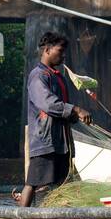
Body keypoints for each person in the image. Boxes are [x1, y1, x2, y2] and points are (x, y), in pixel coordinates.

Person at [15, 31, 91, 207]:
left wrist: (74, 115)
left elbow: (62, 107)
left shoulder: (59, 77)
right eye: (60, 50)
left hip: (62, 142)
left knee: (64, 185)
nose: (63, 55)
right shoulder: (38, 76)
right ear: (47, 50)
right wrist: (76, 109)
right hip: (45, 141)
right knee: (32, 183)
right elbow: (48, 103)